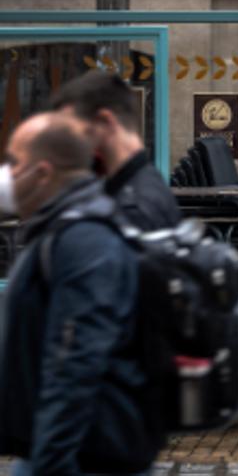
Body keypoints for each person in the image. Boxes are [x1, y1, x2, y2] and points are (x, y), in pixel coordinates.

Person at [0, 112, 159, 475]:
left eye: (14, 162)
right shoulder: (65, 228)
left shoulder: (85, 238)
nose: (6, 173)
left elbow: (76, 361)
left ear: (42, 173)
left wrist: (50, 461)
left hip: (89, 456)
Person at [50, 69, 181, 232]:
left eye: (73, 131)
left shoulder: (134, 209)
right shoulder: (133, 189)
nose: (70, 143)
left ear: (105, 121)